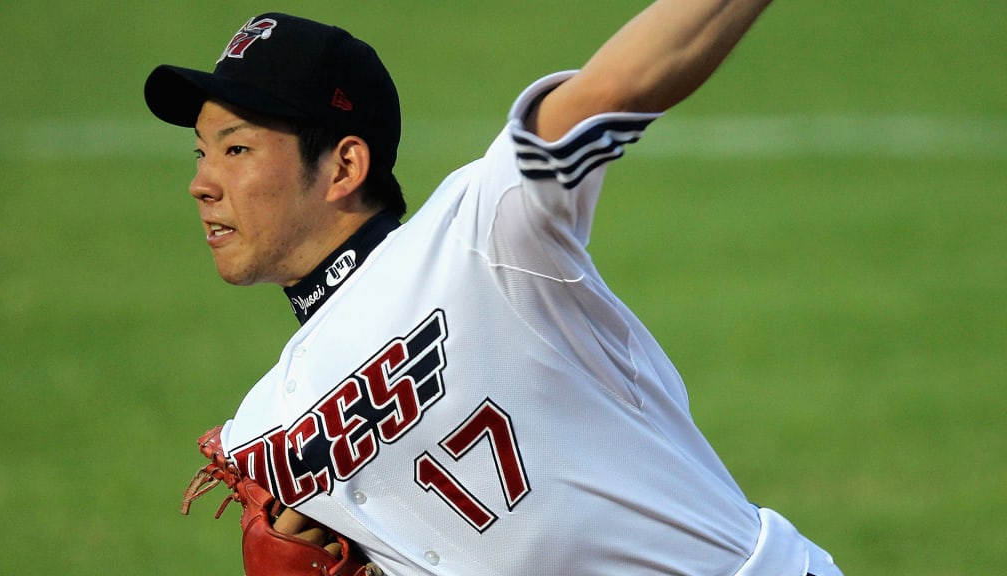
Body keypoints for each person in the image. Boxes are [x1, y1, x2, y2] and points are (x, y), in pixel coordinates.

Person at [145, 3, 843, 575]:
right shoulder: (262, 432)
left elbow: (614, 88)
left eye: (236, 150)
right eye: (201, 153)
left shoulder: (480, 235)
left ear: (344, 165)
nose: (202, 183)